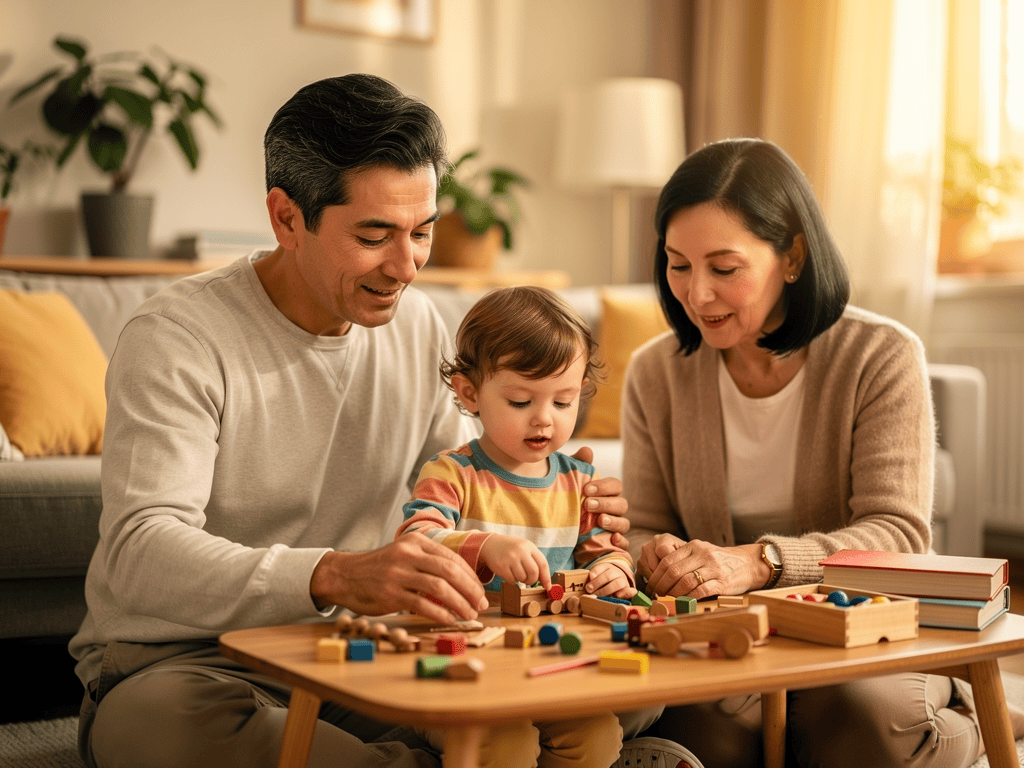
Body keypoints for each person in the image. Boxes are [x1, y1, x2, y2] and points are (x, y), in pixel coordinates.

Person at [68, 74, 639, 768]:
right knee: (174, 729)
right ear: (286, 218)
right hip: (188, 662)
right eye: (374, 235)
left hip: (360, 650)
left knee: (620, 688)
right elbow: (141, 551)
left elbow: (457, 502)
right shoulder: (178, 336)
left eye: (421, 232)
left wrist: (556, 508)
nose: (405, 266)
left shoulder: (420, 327)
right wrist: (334, 575)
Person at [620, 137, 1024, 768]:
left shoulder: (880, 354)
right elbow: (643, 523)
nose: (696, 295)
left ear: (792, 257)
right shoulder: (655, 372)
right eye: (677, 265)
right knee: (704, 731)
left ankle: (972, 722)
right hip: (734, 633)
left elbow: (898, 533)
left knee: (856, 723)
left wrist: (760, 563)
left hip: (866, 621)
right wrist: (661, 555)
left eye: (724, 269)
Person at [396, 285, 637, 767]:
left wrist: (616, 569)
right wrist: (484, 546)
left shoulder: (580, 480)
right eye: (522, 402)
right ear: (470, 393)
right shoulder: (452, 473)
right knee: (507, 746)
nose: (544, 420)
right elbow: (415, 541)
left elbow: (602, 552)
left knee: (598, 736)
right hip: (461, 666)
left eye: (564, 403)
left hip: (552, 664)